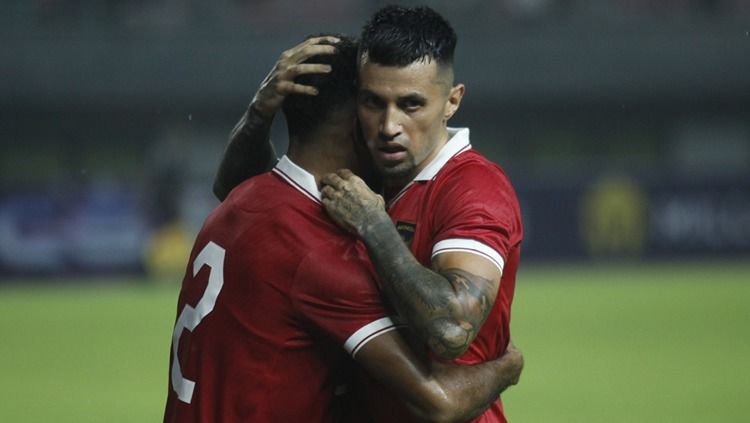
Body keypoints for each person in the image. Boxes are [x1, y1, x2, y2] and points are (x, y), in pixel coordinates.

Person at [165, 34, 523, 423]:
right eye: (373, 105)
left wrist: (259, 112)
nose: (389, 126)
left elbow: (232, 183)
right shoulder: (320, 253)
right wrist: (508, 366)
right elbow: (439, 401)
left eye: (407, 105)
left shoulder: (241, 199)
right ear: (357, 127)